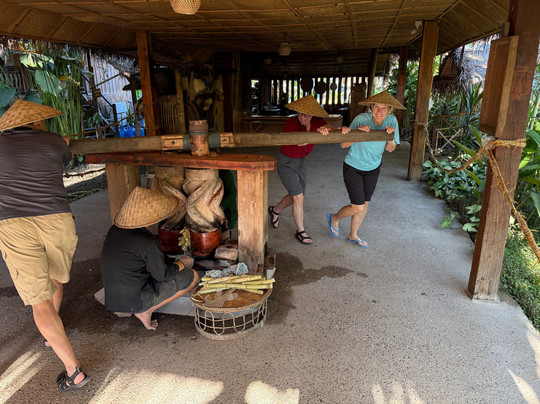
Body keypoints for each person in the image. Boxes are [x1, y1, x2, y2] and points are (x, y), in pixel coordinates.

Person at [0, 100, 89, 391]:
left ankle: (74, 371)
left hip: (14, 224)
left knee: (40, 302)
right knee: (55, 278)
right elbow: (66, 156)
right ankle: (52, 335)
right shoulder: (54, 142)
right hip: (57, 221)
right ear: (38, 121)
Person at [100, 186, 199, 330]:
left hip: (113, 299)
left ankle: (135, 308)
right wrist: (182, 263)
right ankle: (146, 310)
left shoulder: (114, 230)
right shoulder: (148, 241)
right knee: (193, 276)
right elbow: (162, 275)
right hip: (136, 300)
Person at [327, 91, 405, 247]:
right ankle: (335, 217)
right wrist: (358, 134)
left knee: (365, 204)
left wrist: (389, 136)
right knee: (358, 206)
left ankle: (353, 235)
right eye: (376, 107)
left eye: (383, 108)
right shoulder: (361, 119)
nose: (379, 111)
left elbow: (390, 149)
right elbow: (343, 144)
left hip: (373, 168)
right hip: (353, 166)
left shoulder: (392, 121)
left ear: (390, 110)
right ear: (371, 107)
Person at [268, 95, 347, 245]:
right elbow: (300, 142)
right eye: (300, 114)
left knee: (298, 195)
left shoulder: (317, 121)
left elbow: (330, 129)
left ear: (312, 114)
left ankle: (274, 210)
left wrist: (335, 129)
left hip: (301, 161)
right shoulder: (291, 122)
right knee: (298, 197)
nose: (302, 117)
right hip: (287, 162)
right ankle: (301, 231)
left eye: (306, 114)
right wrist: (317, 133)